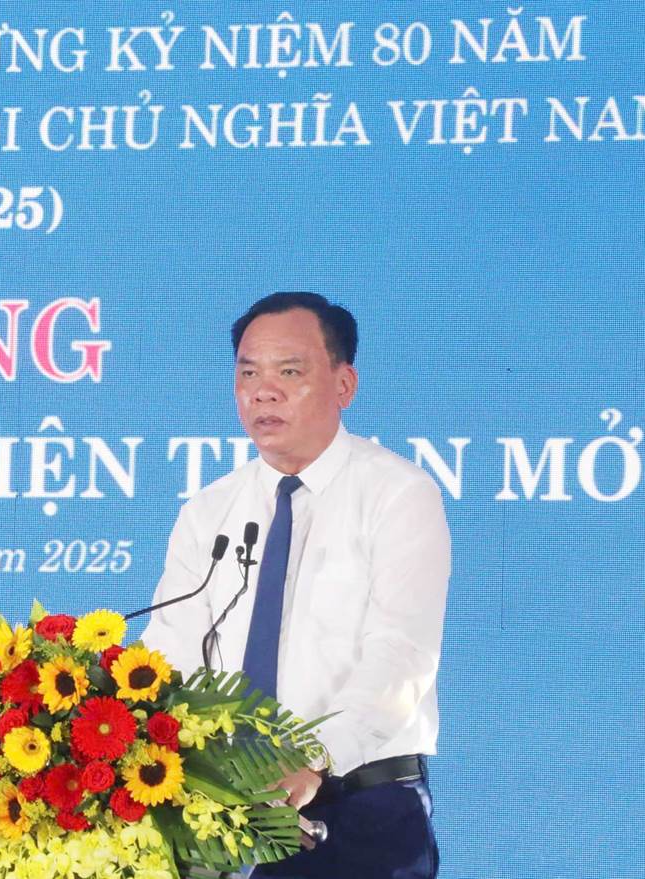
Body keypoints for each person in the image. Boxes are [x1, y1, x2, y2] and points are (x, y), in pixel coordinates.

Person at [140, 292, 450, 879]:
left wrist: (308, 760)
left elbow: (401, 659)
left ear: (344, 385)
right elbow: (168, 654)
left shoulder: (398, 495)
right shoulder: (209, 511)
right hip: (222, 815)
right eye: (248, 372)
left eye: (289, 372)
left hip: (358, 811)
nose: (263, 391)